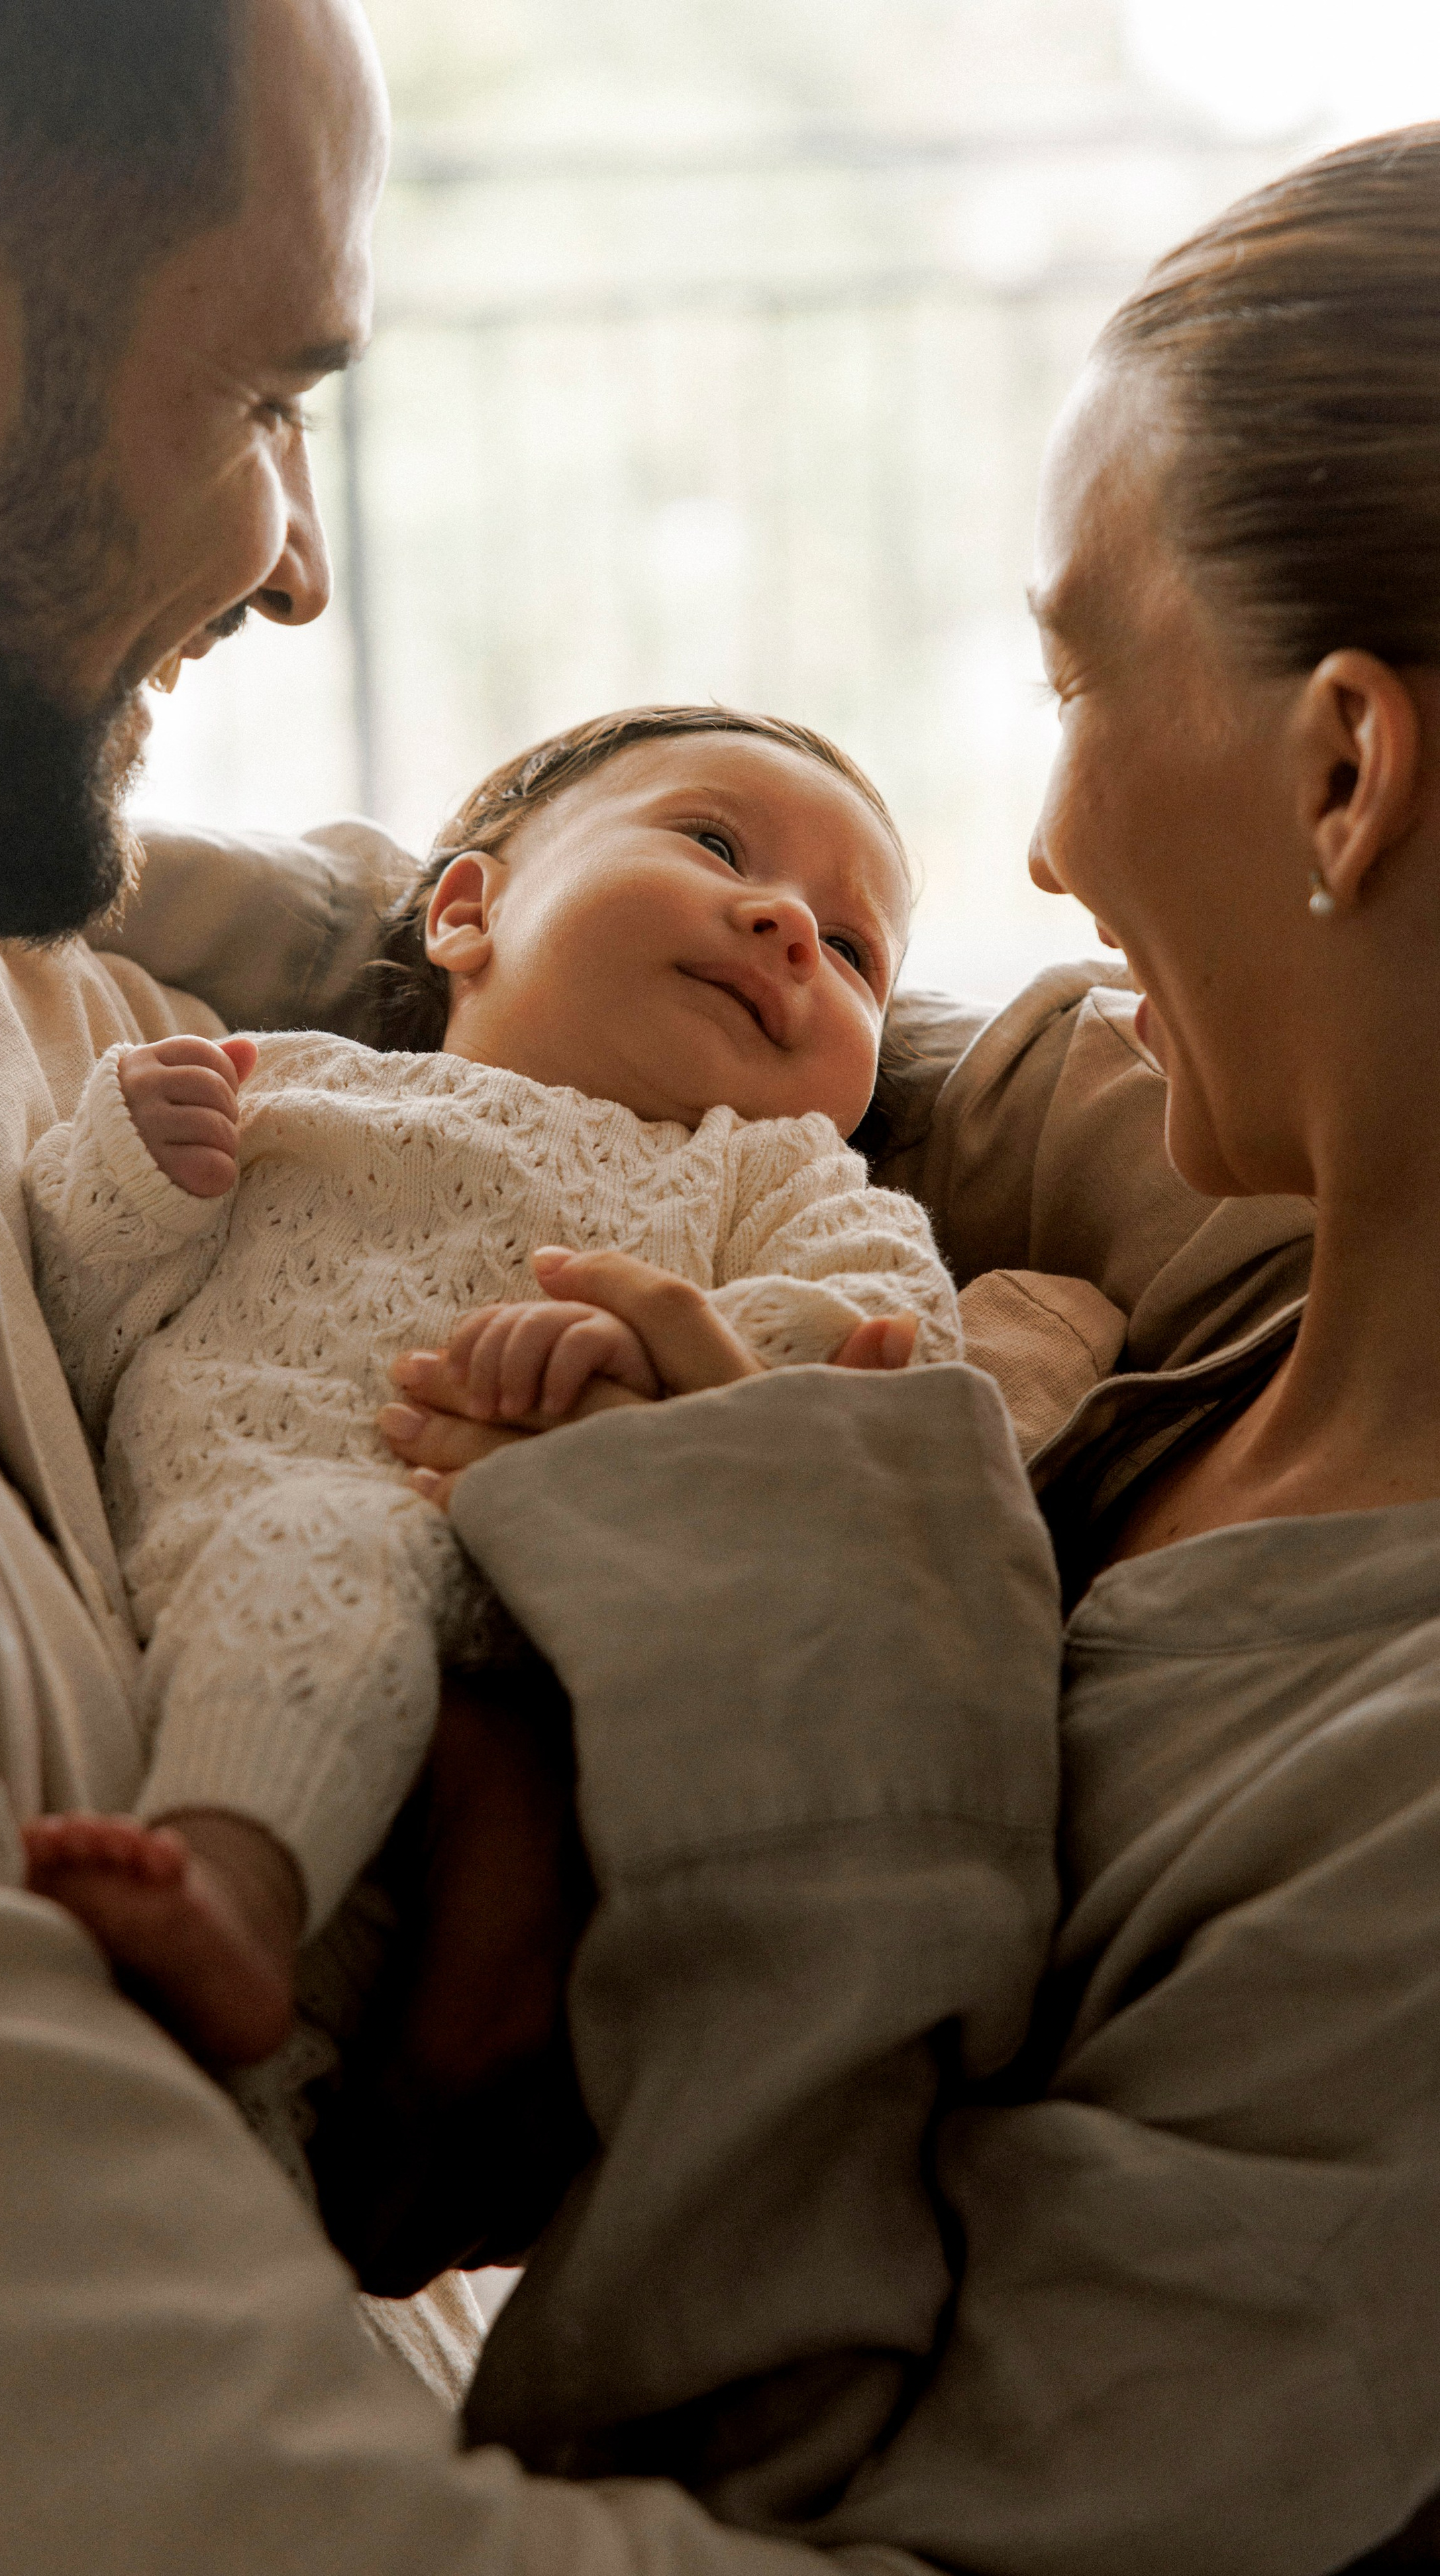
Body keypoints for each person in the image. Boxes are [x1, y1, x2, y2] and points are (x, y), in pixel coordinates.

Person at [370, 125, 1440, 2571]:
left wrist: (806, 1646)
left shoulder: (1393, 1823)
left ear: (1347, 769)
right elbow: (855, 1029)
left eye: (1078, 674)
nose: (1049, 843)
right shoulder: (1212, 1290)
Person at [13, 702, 977, 2072]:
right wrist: (127, 1170)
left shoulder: (769, 1173)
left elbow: (887, 1339)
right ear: (468, 909)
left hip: (499, 1638)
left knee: (331, 1544)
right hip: (177, 1619)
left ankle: (231, 1878)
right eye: (715, 843)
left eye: (853, 950)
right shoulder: (285, 1086)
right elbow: (71, 1341)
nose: (787, 929)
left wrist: (667, 1345)